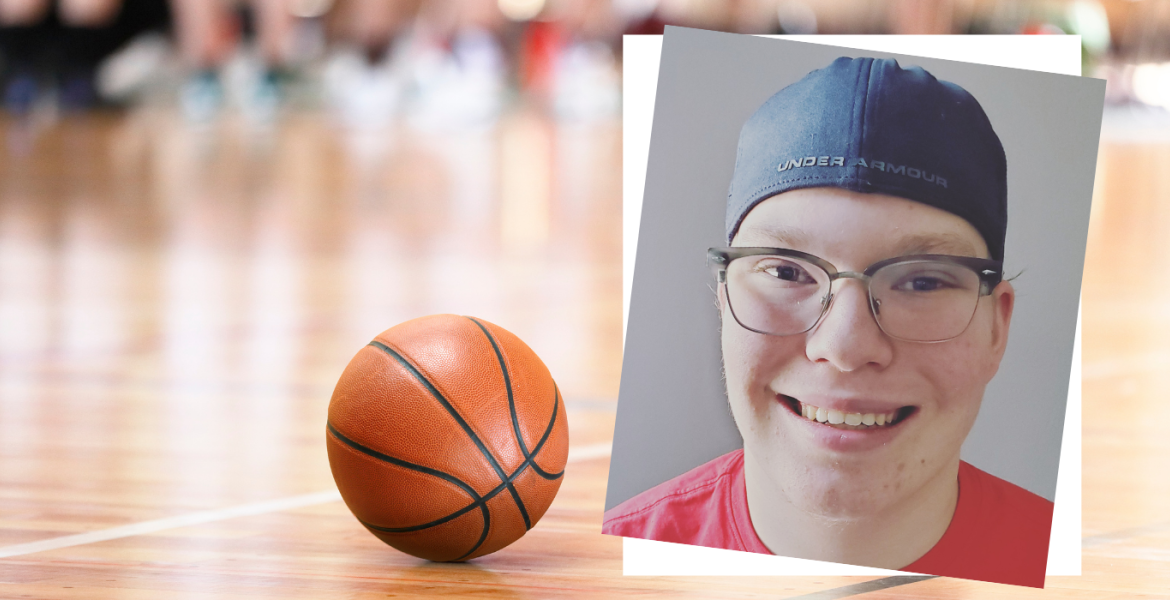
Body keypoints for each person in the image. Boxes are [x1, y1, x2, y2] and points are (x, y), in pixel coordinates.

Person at [602, 57, 1054, 588]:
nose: (844, 345)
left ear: (996, 330)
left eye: (923, 282)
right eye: (787, 271)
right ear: (723, 299)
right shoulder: (613, 570)